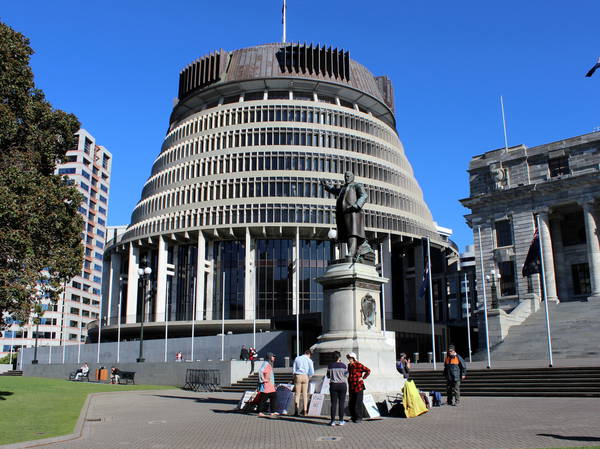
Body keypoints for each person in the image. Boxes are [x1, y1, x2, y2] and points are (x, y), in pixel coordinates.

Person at [320, 171, 369, 259]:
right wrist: (327, 186)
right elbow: (335, 191)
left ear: (353, 177)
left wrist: (357, 205)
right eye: (345, 176)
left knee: (352, 233)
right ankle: (352, 251)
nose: (347, 177)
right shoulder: (343, 188)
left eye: (349, 176)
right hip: (343, 213)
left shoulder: (356, 185)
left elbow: (364, 195)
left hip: (353, 213)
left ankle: (351, 252)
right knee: (347, 234)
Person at [346, 352, 370, 423]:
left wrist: (363, 377)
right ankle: (353, 416)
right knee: (352, 402)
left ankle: (359, 417)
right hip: (351, 386)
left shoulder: (358, 365)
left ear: (353, 358)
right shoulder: (349, 366)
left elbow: (368, 370)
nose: (349, 359)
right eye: (348, 358)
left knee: (358, 402)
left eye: (350, 358)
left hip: (358, 386)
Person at [327, 351, 348, 426]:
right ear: (339, 357)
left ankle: (332, 421)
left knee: (333, 403)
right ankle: (341, 420)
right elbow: (346, 375)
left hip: (333, 385)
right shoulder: (344, 365)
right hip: (342, 385)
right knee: (341, 403)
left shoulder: (330, 366)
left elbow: (328, 376)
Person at [292, 349, 315, 416]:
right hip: (305, 376)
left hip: (298, 376)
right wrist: (309, 377)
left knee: (297, 394)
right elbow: (312, 371)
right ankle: (305, 411)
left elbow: (294, 369)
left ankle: (296, 411)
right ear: (309, 354)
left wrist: (294, 377)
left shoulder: (297, 358)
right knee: (305, 394)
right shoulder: (309, 360)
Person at [256, 352, 277, 417]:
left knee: (273, 397)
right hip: (266, 386)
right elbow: (260, 371)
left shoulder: (269, 364)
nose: (274, 358)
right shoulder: (266, 363)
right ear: (270, 357)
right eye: (273, 356)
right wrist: (263, 380)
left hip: (270, 385)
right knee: (263, 399)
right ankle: (260, 412)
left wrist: (273, 384)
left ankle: (272, 412)